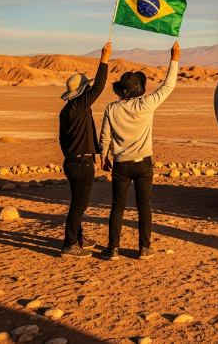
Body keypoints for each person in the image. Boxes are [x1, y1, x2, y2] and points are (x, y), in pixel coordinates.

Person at [98, 41, 180, 261]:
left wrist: (103, 156)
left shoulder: (112, 108)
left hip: (121, 164)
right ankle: (144, 248)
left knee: (118, 206)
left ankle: (113, 249)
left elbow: (105, 135)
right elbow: (167, 86)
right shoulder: (147, 104)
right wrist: (174, 59)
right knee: (144, 206)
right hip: (143, 163)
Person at [58, 41, 111, 259]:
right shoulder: (80, 105)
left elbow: (62, 140)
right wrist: (104, 59)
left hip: (72, 161)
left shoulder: (66, 109)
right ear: (81, 92)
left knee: (77, 203)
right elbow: (98, 87)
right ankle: (70, 245)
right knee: (79, 205)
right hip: (80, 163)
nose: (89, 89)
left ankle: (78, 239)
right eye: (85, 88)